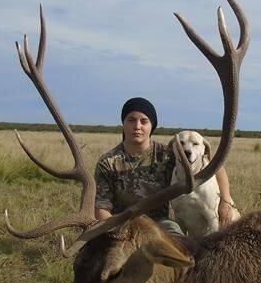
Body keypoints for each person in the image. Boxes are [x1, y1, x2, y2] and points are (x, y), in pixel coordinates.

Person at [93, 97, 235, 234]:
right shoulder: (107, 162)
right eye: (131, 120)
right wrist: (119, 231)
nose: (137, 126)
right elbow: (101, 209)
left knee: (181, 249)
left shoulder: (169, 153)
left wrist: (226, 201)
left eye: (144, 121)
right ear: (123, 124)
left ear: (151, 126)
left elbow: (216, 167)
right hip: (122, 227)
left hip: (160, 225)